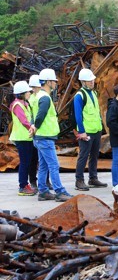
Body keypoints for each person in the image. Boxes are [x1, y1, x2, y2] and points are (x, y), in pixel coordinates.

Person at [29, 68, 72, 202]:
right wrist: (35, 126)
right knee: (53, 165)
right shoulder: (45, 98)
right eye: (54, 81)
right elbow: (41, 115)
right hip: (45, 137)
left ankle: (43, 191)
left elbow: (34, 115)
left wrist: (33, 127)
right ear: (48, 81)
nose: (55, 83)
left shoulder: (37, 97)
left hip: (40, 137)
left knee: (44, 165)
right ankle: (60, 191)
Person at [74, 68, 108, 191]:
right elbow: (78, 115)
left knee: (94, 155)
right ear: (83, 82)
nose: (92, 82)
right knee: (83, 155)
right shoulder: (79, 96)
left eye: (92, 80)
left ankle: (93, 178)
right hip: (86, 132)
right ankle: (79, 180)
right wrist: (82, 131)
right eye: (89, 81)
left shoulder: (93, 93)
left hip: (96, 130)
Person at [9, 81, 37, 196]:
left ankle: (25, 185)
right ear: (22, 93)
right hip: (22, 138)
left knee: (27, 161)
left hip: (27, 138)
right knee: (25, 162)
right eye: (28, 92)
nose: (30, 93)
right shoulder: (17, 105)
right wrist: (31, 128)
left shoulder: (24, 103)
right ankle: (23, 186)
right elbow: (24, 120)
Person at [28, 75, 52, 191]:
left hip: (36, 131)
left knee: (43, 161)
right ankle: (33, 181)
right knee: (34, 159)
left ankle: (45, 182)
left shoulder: (39, 97)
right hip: (34, 132)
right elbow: (34, 116)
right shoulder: (32, 99)